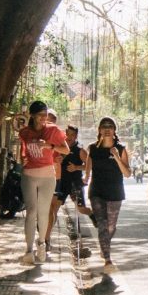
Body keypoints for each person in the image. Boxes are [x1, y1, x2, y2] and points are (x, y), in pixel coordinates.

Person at [18, 101, 70, 265]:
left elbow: (66, 150)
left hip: (48, 175)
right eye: (40, 115)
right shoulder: (25, 132)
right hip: (29, 174)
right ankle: (28, 250)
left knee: (42, 211)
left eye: (45, 115)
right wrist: (23, 162)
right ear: (32, 115)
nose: (43, 118)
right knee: (31, 211)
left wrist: (50, 146)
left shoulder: (53, 130)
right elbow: (23, 151)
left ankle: (41, 244)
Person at [83, 116, 131, 273]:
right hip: (96, 191)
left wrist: (116, 156)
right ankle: (108, 260)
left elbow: (127, 173)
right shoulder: (93, 149)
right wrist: (84, 179)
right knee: (103, 225)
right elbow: (88, 169)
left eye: (110, 126)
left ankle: (104, 246)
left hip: (115, 192)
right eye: (104, 126)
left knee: (110, 227)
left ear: (115, 130)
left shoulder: (121, 148)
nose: (107, 129)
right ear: (99, 130)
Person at [45, 124, 91, 250]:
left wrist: (77, 167)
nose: (70, 137)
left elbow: (89, 166)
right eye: (68, 134)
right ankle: (46, 239)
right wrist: (57, 161)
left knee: (81, 209)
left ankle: (94, 215)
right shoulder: (60, 147)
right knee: (53, 209)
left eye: (72, 135)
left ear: (76, 136)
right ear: (65, 134)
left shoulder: (80, 150)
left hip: (75, 183)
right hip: (61, 183)